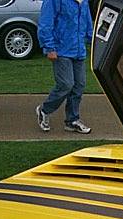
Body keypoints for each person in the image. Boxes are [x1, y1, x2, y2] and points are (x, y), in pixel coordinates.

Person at [35, 0, 93, 134]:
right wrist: (49, 47)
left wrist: (93, 39)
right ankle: (44, 110)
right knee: (66, 84)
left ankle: (72, 121)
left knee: (79, 85)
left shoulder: (84, 1)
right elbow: (45, 23)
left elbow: (87, 21)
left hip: (78, 50)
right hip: (61, 50)